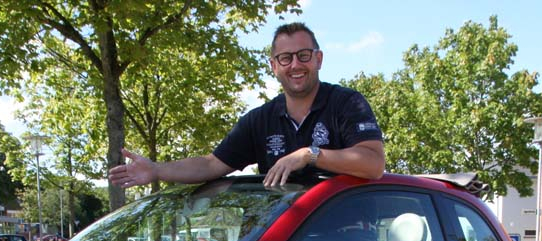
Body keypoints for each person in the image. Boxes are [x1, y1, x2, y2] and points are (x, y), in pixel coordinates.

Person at [108, 22, 385, 189]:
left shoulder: (347, 103)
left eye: (303, 55)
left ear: (318, 59)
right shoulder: (260, 120)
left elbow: (373, 164)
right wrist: (157, 170)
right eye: (286, 58)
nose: (295, 65)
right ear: (274, 66)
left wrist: (308, 154)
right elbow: (210, 165)